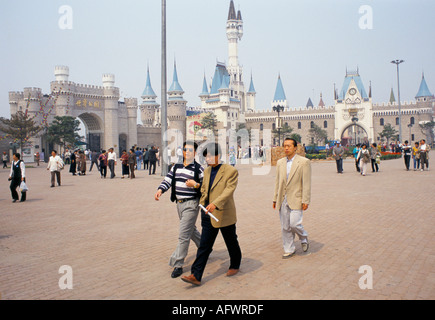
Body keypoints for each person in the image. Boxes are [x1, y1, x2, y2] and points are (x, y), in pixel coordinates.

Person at [181, 143, 242, 286]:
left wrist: (215, 203)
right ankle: (196, 275)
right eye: (205, 157)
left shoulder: (230, 171)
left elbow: (228, 191)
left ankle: (235, 264)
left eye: (209, 156)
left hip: (222, 213)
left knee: (231, 241)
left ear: (218, 156)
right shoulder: (207, 171)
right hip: (207, 213)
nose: (207, 159)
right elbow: (204, 188)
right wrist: (196, 186)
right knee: (204, 245)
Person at [155, 141, 204, 279]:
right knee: (190, 230)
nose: (187, 152)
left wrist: (195, 185)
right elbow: (168, 180)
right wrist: (160, 190)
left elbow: (205, 187)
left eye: (190, 150)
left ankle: (178, 264)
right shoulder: (176, 167)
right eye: (185, 150)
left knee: (183, 235)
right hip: (179, 204)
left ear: (195, 153)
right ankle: (204, 247)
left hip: (192, 204)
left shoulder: (198, 169)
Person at [272, 138, 311, 259]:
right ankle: (289, 249)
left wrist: (306, 200)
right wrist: (275, 198)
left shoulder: (304, 162)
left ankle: (303, 237)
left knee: (294, 224)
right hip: (283, 198)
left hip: (296, 198)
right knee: (285, 226)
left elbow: (306, 183)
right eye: (284, 146)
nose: (286, 148)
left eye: (289, 146)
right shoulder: (280, 163)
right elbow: (278, 182)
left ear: (295, 148)